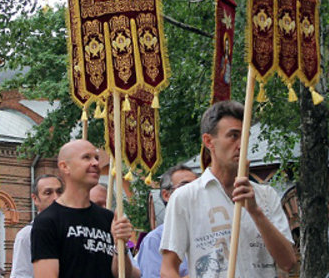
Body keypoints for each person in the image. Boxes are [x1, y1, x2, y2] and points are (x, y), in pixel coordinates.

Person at [160, 101, 297, 277]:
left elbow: (288, 263)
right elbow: (168, 269)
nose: (241, 145)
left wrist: (256, 212)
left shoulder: (266, 195)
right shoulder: (185, 198)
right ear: (209, 141)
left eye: (245, 136)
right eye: (233, 136)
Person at [31, 140, 141, 278]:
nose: (95, 163)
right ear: (65, 167)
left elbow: (124, 275)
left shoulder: (107, 218)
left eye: (96, 158)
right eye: (86, 157)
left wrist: (120, 245)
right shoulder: (47, 221)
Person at [135, 164, 197, 278]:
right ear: (166, 195)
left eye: (197, 186)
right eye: (186, 186)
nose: (194, 191)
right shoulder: (155, 240)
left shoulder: (210, 229)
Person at [11, 174, 64, 278]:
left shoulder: (73, 229)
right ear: (35, 199)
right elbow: (21, 275)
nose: (56, 197)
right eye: (48, 193)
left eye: (59, 192)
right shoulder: (27, 235)